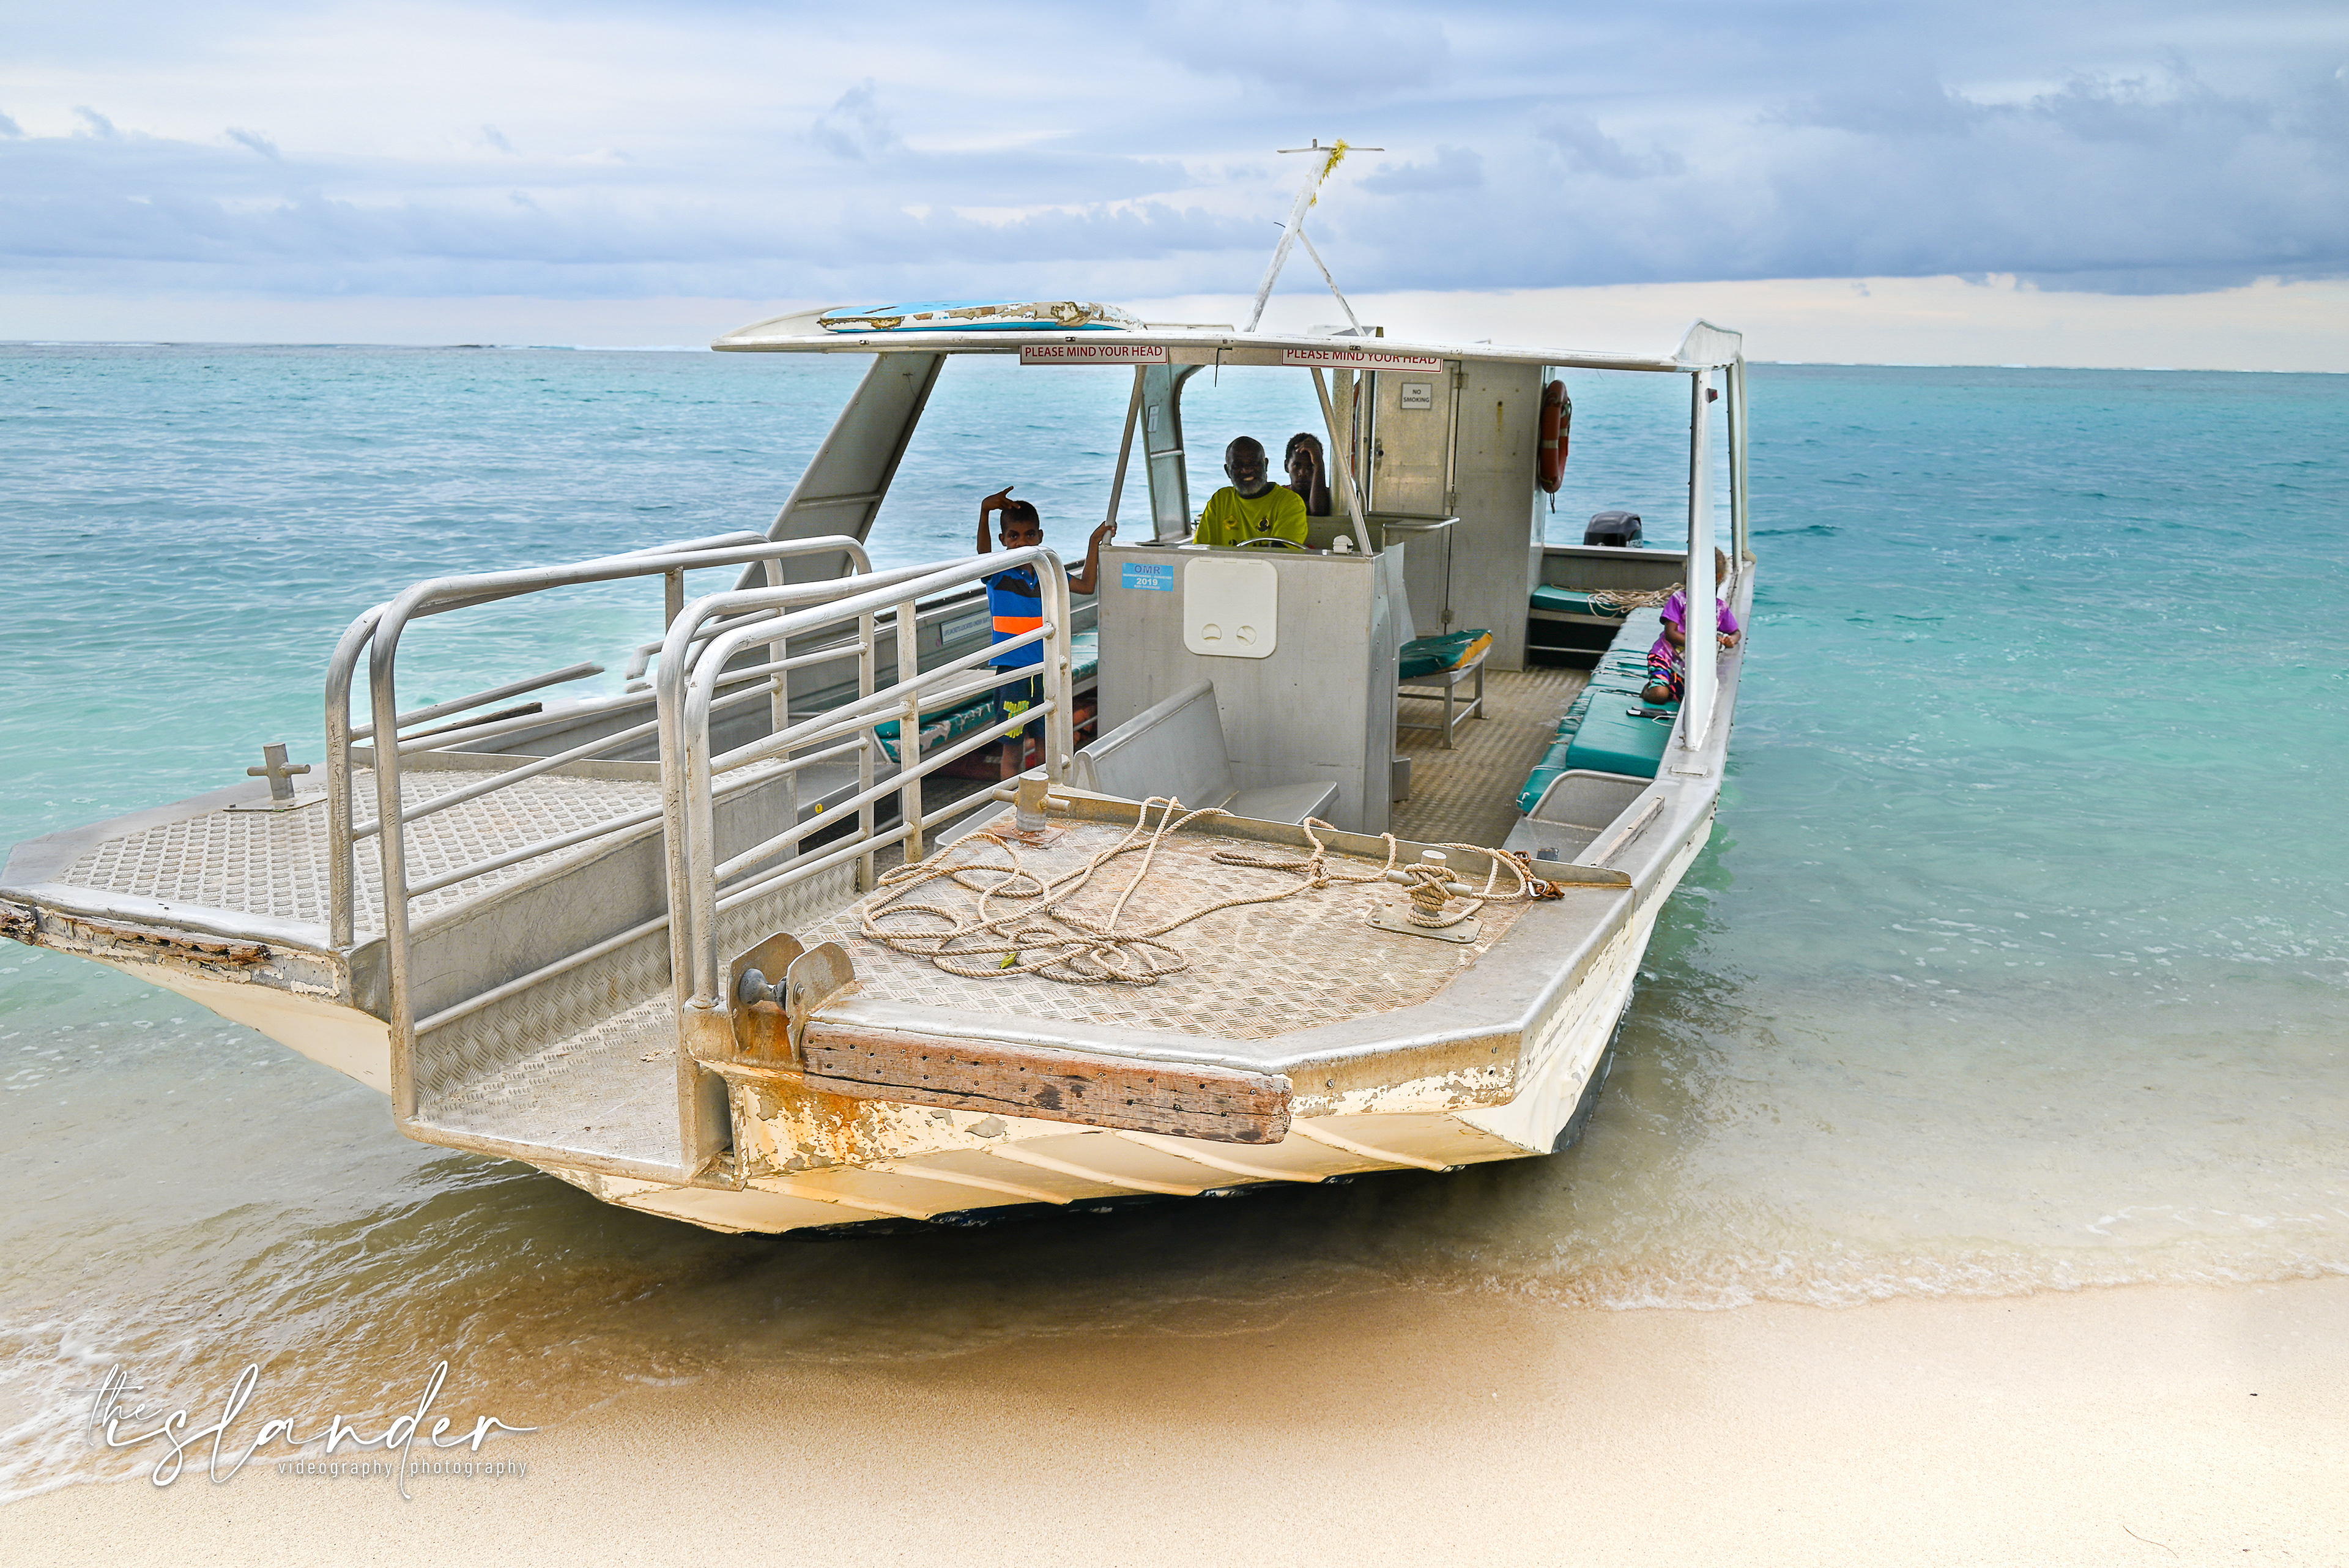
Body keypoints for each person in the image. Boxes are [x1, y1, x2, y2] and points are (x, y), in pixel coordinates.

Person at [976, 487, 1113, 748]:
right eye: (1014, 536)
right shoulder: (998, 574)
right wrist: (985, 511)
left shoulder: (1048, 573)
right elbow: (982, 557)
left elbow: (1086, 586)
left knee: (1046, 744)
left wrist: (1093, 543)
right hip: (1012, 672)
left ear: (1040, 536)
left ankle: (1047, 788)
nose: (1022, 542)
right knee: (1012, 748)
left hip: (1045, 668)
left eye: (1029, 535)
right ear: (1003, 539)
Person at [1642, 549, 1742, 705]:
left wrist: (1732, 640)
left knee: (1692, 699)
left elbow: (1735, 632)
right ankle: (1650, 689)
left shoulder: (1720, 608)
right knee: (1659, 695)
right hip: (1665, 657)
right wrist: (1701, 643)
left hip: (1689, 665)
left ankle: (1669, 686)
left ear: (1718, 578)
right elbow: (1670, 634)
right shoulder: (1679, 600)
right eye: (1689, 572)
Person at [1192, 436, 1308, 547]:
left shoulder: (1290, 502)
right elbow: (1200, 550)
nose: (1246, 470)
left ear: (1266, 465)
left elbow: (1278, 556)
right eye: (1238, 465)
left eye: (1253, 464)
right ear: (1228, 471)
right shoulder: (1219, 501)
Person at [1283, 432, 1332, 517]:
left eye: (1311, 466)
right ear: (1286, 466)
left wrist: (1318, 463)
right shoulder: (1280, 496)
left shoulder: (1332, 497)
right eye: (1297, 465)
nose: (1303, 473)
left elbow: (1318, 511)